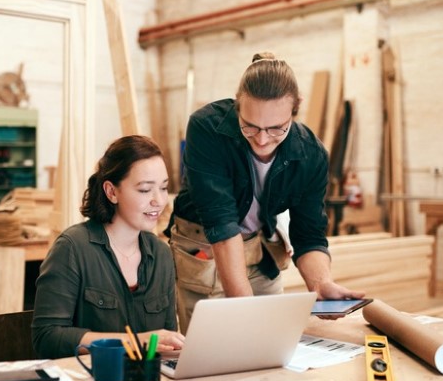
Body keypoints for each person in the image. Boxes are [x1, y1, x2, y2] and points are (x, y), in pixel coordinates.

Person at [167, 52, 365, 333]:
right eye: (250, 126)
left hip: (259, 251)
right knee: (215, 348)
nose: (261, 139)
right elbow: (221, 223)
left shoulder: (311, 154)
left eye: (276, 129)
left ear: (296, 109)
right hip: (204, 249)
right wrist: (246, 311)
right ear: (238, 104)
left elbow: (308, 234)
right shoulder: (207, 128)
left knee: (268, 341)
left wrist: (320, 284)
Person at [32, 135, 185, 359]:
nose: (159, 200)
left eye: (163, 188)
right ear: (112, 192)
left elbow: (166, 341)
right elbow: (47, 338)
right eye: (145, 190)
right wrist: (137, 342)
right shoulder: (73, 248)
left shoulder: (161, 254)